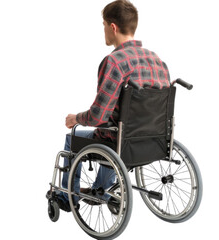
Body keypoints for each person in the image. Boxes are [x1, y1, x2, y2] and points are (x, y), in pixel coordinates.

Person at [55, 0, 171, 212]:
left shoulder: (115, 61)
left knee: (75, 137)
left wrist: (76, 118)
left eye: (104, 26)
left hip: (119, 142)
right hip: (154, 141)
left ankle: (66, 197)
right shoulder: (158, 61)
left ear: (113, 27)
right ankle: (101, 188)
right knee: (115, 133)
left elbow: (99, 116)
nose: (104, 31)